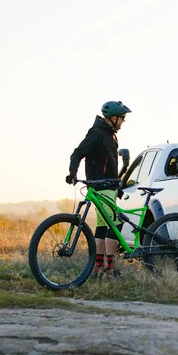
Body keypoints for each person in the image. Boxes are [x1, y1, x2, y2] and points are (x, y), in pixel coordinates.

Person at [66, 101, 131, 279]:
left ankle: (99, 267)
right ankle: (110, 269)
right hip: (101, 187)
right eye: (122, 118)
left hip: (108, 186)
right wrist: (72, 172)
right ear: (113, 118)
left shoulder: (110, 135)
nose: (123, 122)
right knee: (115, 224)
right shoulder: (97, 134)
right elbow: (78, 153)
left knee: (102, 226)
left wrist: (117, 184)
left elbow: (109, 163)